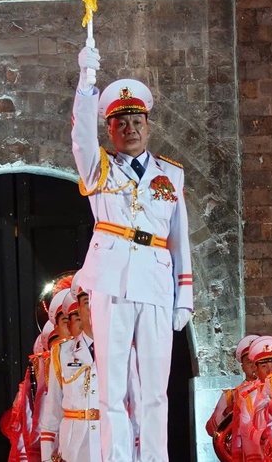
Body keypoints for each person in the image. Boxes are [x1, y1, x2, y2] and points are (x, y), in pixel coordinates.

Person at [72, 49, 194, 462]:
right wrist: (86, 83)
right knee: (113, 386)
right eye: (120, 123)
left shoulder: (170, 174)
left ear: (148, 125)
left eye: (136, 121)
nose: (130, 128)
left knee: (156, 388)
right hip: (112, 280)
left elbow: (180, 238)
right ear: (110, 130)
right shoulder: (99, 167)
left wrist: (185, 295)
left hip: (157, 281)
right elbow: (80, 138)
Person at [40, 276, 101, 462]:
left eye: (96, 301)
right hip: (73, 451)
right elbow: (51, 413)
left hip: (111, 449)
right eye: (85, 302)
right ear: (78, 309)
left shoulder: (123, 351)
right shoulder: (62, 353)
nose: (91, 309)